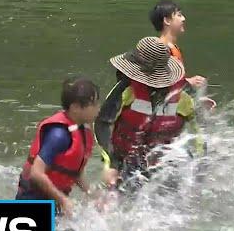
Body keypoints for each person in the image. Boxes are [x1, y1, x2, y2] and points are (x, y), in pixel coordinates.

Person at [94, 36, 203, 193]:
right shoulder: (127, 88)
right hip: (126, 162)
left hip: (165, 164)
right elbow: (102, 123)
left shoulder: (184, 95)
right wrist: (111, 164)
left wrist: (198, 173)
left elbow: (200, 137)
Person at [15, 77, 102, 217]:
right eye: (94, 104)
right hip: (33, 199)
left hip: (54, 199)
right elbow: (36, 173)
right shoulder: (59, 135)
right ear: (75, 108)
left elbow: (75, 172)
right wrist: (63, 200)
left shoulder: (80, 130)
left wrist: (93, 195)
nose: (98, 108)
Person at [149, 0, 216, 111]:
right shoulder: (160, 49)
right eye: (179, 15)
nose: (183, 18)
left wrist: (198, 99)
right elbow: (157, 84)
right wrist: (189, 82)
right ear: (167, 21)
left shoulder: (174, 48)